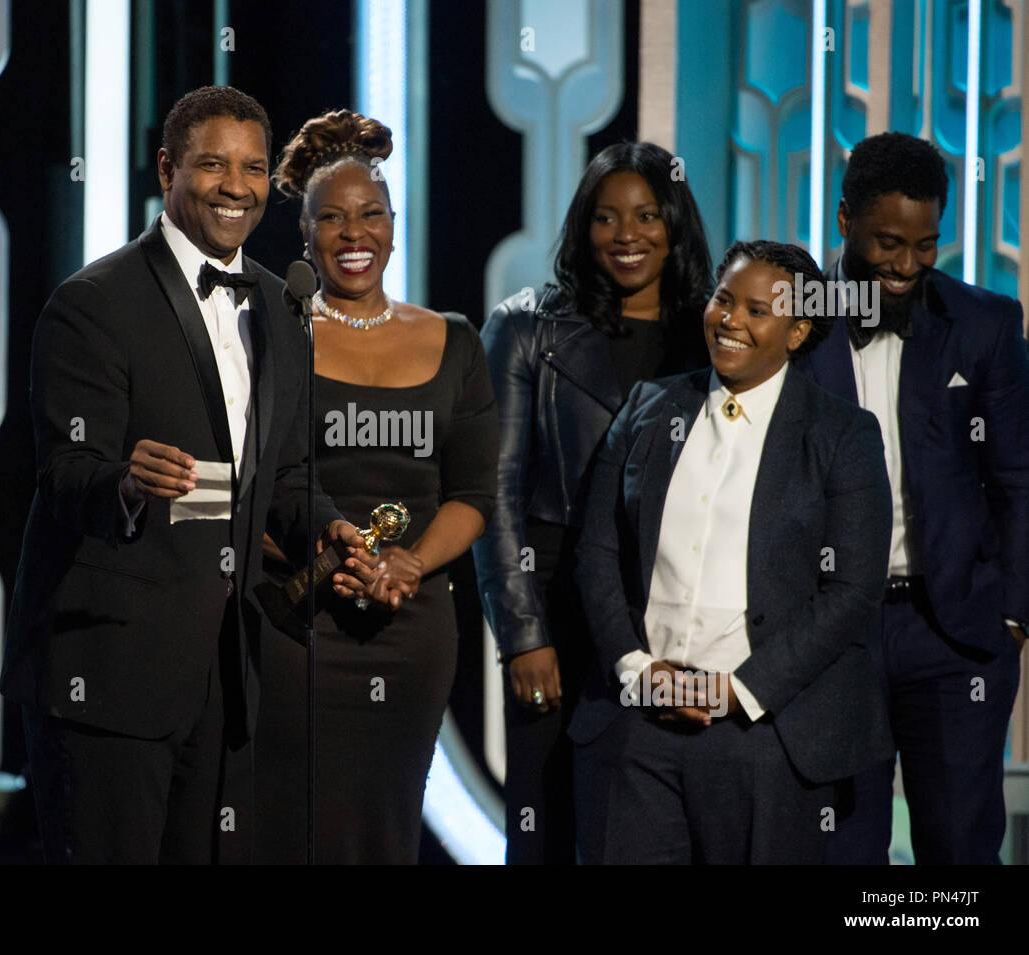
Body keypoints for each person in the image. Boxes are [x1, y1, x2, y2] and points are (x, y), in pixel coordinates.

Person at [1, 86, 374, 865]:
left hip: (226, 673)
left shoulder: (283, 307)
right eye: (212, 164)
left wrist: (328, 524)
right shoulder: (92, 303)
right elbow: (67, 473)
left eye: (253, 167)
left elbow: (285, 474)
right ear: (169, 168)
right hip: (105, 674)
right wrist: (126, 485)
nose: (235, 185)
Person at [569, 240, 894, 864]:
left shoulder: (843, 434)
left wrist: (738, 691)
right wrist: (638, 670)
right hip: (638, 725)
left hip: (762, 735)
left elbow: (852, 590)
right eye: (723, 299)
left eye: (756, 310)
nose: (730, 320)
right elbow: (598, 550)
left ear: (797, 331)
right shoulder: (648, 407)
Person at [251, 109, 499, 864]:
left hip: (411, 623)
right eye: (332, 218)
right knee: (295, 827)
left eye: (370, 215)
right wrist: (327, 556)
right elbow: (253, 479)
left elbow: (472, 496)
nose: (353, 234)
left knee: (385, 828)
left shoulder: (454, 338)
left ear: (394, 225)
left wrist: (410, 564)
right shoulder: (271, 330)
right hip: (297, 618)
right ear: (306, 233)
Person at [472, 141, 712, 864]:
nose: (627, 234)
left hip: (672, 606)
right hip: (554, 598)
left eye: (645, 215)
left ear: (675, 222)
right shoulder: (524, 328)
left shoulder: (715, 333)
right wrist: (523, 635)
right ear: (583, 227)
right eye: (606, 218)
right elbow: (496, 490)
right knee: (544, 824)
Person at [800, 132, 1029, 864]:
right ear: (844, 222)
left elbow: (1019, 477)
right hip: (831, 637)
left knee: (961, 853)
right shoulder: (793, 323)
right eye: (888, 243)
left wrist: (1014, 614)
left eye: (926, 245)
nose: (906, 266)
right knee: (841, 851)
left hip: (956, 633)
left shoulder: (987, 323)